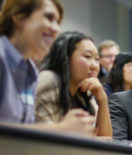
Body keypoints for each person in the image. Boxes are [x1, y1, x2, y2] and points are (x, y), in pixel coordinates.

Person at [0, 0, 94, 135]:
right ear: (19, 18)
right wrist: (61, 129)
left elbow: (23, 133)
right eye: (49, 18)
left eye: (58, 22)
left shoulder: (30, 70)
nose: (56, 29)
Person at [35, 31, 112, 136]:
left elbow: (106, 139)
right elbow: (43, 138)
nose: (95, 66)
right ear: (65, 57)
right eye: (87, 56)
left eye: (97, 59)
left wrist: (103, 100)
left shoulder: (85, 90)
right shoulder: (49, 79)